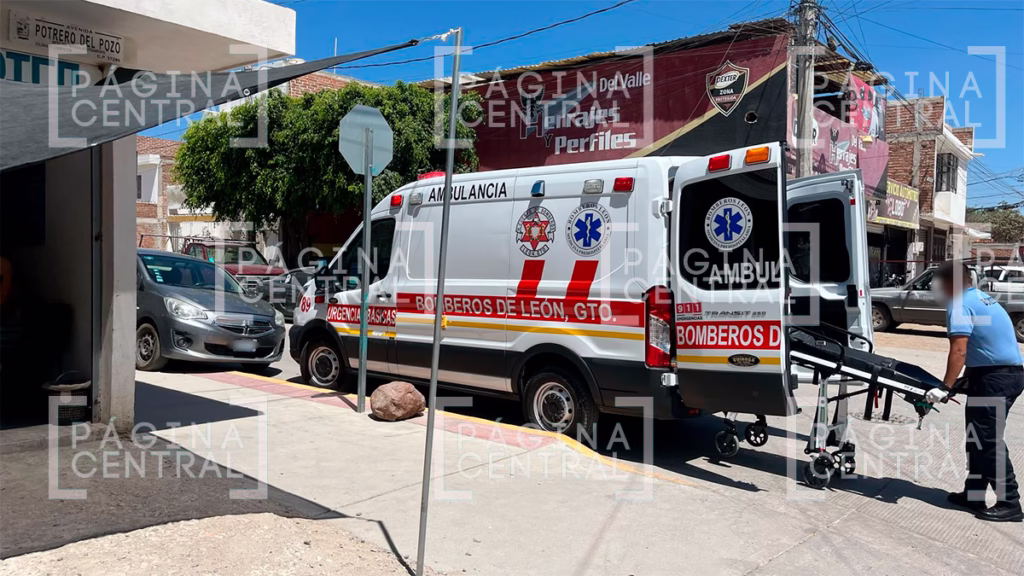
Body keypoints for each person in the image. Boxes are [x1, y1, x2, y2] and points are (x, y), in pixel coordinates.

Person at [925, 260, 1023, 522]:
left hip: (996, 378)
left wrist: (944, 386)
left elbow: (959, 349)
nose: (937, 288)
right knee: (976, 439)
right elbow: (985, 344)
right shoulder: (981, 297)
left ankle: (1010, 502)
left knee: (987, 441)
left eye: (939, 282)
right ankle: (974, 493)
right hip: (998, 374)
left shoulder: (959, 304)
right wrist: (965, 379)